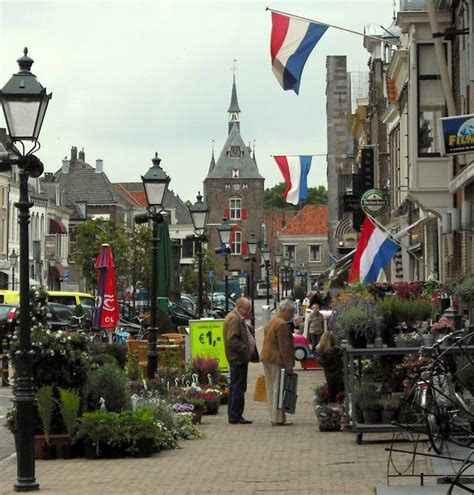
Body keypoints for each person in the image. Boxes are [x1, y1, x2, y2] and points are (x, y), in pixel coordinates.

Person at [223, 297, 259, 424]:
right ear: (239, 308)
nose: (248, 312)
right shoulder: (234, 318)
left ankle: (235, 414)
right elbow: (232, 340)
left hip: (238, 358)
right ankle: (235, 415)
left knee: (236, 386)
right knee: (238, 387)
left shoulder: (237, 318)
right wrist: (245, 350)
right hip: (237, 358)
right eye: (246, 309)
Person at [261, 298, 295, 426]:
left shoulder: (272, 321)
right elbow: (284, 348)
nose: (291, 315)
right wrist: (289, 366)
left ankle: (273, 416)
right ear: (285, 310)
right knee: (278, 388)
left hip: (266, 357)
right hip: (276, 359)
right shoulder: (282, 324)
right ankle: (278, 418)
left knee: (270, 388)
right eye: (290, 312)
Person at [315, 331, 344, 403]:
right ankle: (341, 407)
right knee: (340, 392)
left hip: (328, 373)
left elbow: (320, 361)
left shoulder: (319, 350)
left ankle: (331, 407)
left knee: (331, 391)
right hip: (339, 373)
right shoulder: (336, 350)